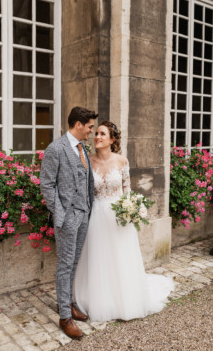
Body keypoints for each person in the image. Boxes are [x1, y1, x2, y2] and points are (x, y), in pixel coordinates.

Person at [74, 121, 174, 322]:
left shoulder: (121, 161)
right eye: (97, 134)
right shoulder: (87, 160)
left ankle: (124, 298)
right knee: (98, 257)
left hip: (119, 216)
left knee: (120, 257)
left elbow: (127, 190)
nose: (97, 137)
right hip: (96, 215)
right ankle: (101, 299)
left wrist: (132, 208)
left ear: (112, 140)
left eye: (103, 134)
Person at [40, 106, 98, 339]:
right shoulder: (56, 149)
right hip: (67, 217)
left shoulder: (82, 148)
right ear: (78, 125)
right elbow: (46, 185)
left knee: (73, 262)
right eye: (90, 127)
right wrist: (60, 214)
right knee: (64, 265)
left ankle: (70, 302)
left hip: (84, 214)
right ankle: (65, 316)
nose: (92, 132)